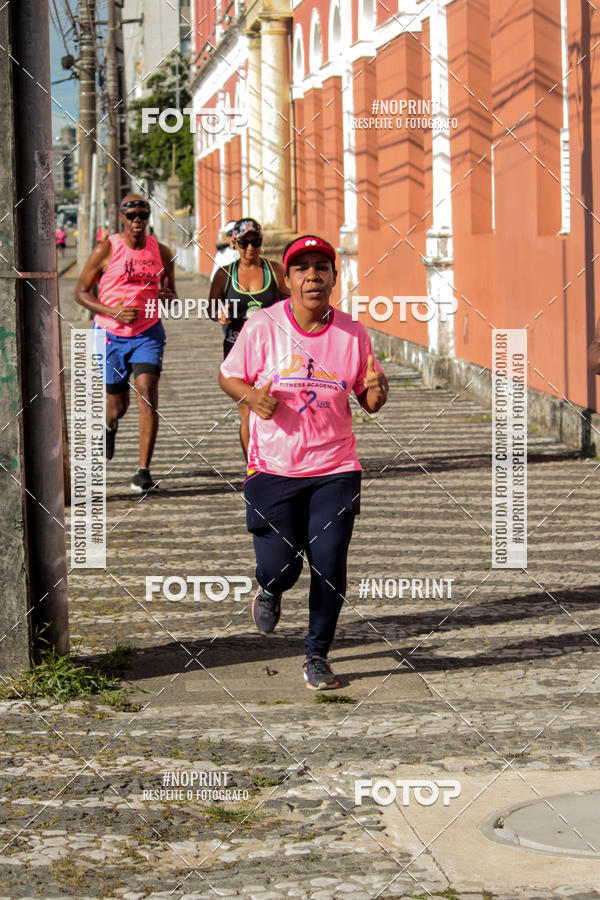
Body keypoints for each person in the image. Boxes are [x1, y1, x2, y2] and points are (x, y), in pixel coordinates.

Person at [218, 234, 389, 690]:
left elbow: (368, 399)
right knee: (280, 565)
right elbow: (228, 375)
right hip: (273, 466)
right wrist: (252, 397)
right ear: (288, 279)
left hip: (335, 465)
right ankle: (271, 588)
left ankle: (317, 654)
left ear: (335, 277)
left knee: (329, 565)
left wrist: (378, 389)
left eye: (322, 267)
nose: (313, 274)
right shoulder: (263, 325)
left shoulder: (353, 332)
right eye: (302, 268)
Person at [74, 194, 176, 492]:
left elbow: (171, 295)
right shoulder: (106, 249)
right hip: (110, 334)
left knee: (147, 391)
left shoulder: (162, 251)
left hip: (148, 332)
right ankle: (109, 424)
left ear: (148, 218)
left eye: (142, 215)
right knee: (118, 405)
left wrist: (168, 298)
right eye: (131, 215)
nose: (137, 220)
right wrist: (112, 311)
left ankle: (143, 471)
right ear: (121, 218)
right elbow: (80, 292)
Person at [209, 217, 287, 455]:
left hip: (271, 350)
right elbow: (211, 307)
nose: (251, 248)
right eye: (245, 242)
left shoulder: (273, 270)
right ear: (235, 243)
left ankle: (277, 460)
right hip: (237, 349)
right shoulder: (225, 274)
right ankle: (252, 467)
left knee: (275, 407)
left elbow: (289, 303)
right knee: (246, 408)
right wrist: (219, 314)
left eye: (256, 242)